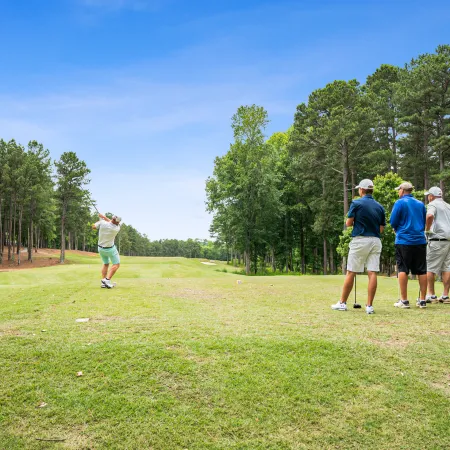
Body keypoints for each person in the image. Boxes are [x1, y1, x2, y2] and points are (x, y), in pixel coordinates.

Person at [331, 179, 386, 314]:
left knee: (351, 271)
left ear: (361, 190)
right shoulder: (379, 207)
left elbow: (349, 223)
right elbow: (381, 229)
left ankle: (343, 303)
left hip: (360, 240)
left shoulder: (356, 203)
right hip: (375, 241)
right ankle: (369, 306)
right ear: (371, 190)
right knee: (372, 272)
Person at [390, 182, 427, 309]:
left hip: (404, 240)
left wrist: (397, 229)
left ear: (402, 190)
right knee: (422, 270)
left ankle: (404, 300)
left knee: (403, 269)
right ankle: (422, 300)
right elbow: (423, 220)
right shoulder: (420, 204)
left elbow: (393, 221)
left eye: (398, 190)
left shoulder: (399, 202)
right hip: (420, 240)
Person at [424, 186, 450, 304]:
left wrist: (427, 229)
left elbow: (429, 216)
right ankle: (445, 296)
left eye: (428, 196)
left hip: (437, 240)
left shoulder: (433, 204)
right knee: (447, 267)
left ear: (431, 196)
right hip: (448, 240)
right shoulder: (448, 206)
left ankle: (431, 295)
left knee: (430, 267)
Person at [92, 213, 122, 288]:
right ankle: (107, 280)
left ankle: (103, 282)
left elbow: (93, 227)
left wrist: (100, 220)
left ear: (112, 218)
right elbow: (112, 223)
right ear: (117, 222)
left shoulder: (102, 223)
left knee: (106, 264)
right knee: (116, 264)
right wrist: (104, 217)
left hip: (100, 249)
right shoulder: (117, 228)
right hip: (110, 249)